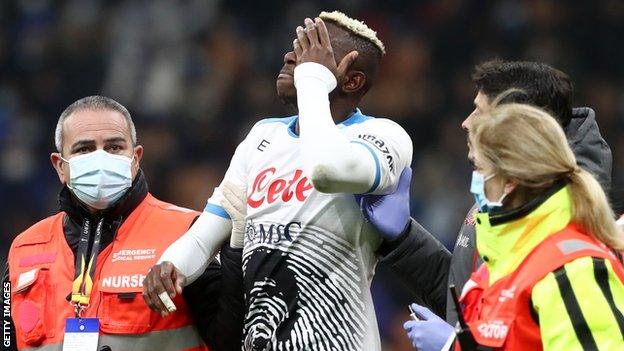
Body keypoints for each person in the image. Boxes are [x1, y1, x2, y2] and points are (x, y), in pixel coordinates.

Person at [143, 11, 412, 350]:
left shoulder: (383, 135)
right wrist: (171, 265)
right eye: (296, 46)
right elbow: (207, 233)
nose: (290, 57)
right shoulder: (261, 135)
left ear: (351, 80)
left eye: (313, 51)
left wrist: (312, 79)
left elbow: (327, 170)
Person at [356, 60, 614, 349]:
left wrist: (456, 347)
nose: (466, 122)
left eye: (479, 110)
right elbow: (479, 316)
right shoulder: (504, 217)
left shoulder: (575, 261)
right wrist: (405, 241)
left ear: (514, 128)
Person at [3, 96, 244, 351]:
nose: (100, 159)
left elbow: (231, 341)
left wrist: (235, 252)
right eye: (84, 149)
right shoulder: (25, 248)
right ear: (60, 166)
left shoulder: (187, 234)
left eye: (114, 147)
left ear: (136, 157)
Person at [443, 99, 623, 350]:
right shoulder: (503, 260)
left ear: (510, 181)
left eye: (479, 167)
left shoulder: (573, 269)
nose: (475, 179)